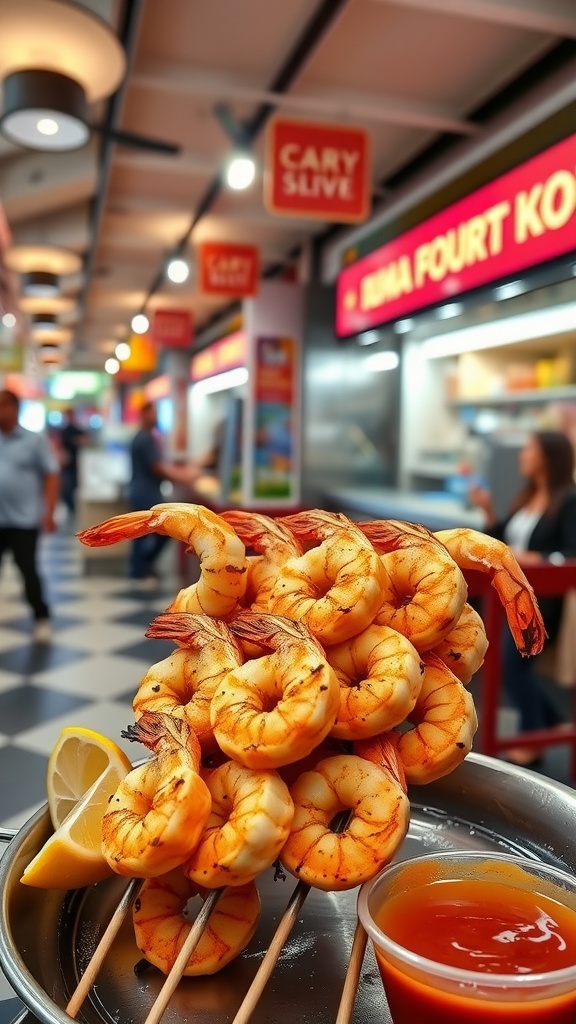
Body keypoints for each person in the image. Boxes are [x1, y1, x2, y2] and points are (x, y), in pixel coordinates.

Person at [469, 430, 576, 766]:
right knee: (508, 664)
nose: (522, 455)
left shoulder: (569, 500)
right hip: (511, 599)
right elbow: (502, 542)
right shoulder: (527, 497)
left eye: (529, 449)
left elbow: (569, 552)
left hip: (546, 603)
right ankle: (550, 720)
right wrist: (487, 512)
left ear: (548, 456)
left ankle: (533, 738)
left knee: (512, 665)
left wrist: (530, 557)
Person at [0, 389, 60, 643]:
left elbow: (51, 474)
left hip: (24, 521)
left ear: (16, 408)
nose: (1, 411)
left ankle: (41, 617)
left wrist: (49, 511)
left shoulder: (33, 440)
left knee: (28, 570)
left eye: (5, 405)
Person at [128, 401, 197, 585]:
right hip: (146, 494)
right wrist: (181, 477)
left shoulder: (142, 437)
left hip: (142, 491)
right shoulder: (145, 439)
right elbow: (156, 467)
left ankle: (140, 568)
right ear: (143, 415)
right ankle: (142, 566)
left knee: (142, 534)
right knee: (162, 532)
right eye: (152, 413)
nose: (155, 417)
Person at [59, 408, 88, 520]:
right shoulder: (65, 430)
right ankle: (71, 509)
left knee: (76, 488)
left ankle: (76, 511)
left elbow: (85, 440)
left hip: (78, 464)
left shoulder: (78, 429)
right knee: (67, 489)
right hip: (67, 465)